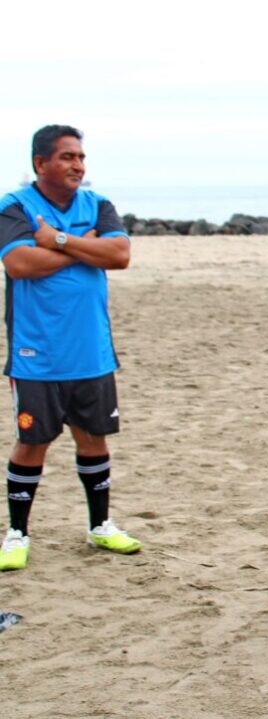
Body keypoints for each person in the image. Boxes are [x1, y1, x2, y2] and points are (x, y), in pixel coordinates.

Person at [0, 125, 141, 572]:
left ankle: (100, 526)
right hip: (36, 353)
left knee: (93, 439)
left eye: (80, 157)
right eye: (67, 157)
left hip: (92, 352)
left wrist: (57, 240)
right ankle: (17, 532)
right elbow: (21, 264)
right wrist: (88, 248)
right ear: (41, 164)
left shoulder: (97, 204)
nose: (78, 165)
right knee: (32, 441)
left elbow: (119, 256)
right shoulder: (15, 206)